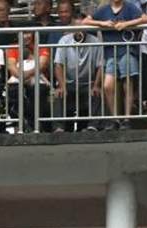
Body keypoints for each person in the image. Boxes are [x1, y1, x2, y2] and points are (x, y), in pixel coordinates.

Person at [84, 0, 143, 124]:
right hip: (110, 53)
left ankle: (127, 118)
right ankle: (115, 118)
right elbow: (86, 21)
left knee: (128, 85)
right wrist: (103, 23)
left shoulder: (129, 7)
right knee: (107, 86)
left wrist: (127, 24)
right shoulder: (104, 9)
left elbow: (145, 18)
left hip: (127, 50)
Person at [52, 0, 103, 133]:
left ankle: (93, 126)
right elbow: (58, 64)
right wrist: (61, 85)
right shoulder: (64, 40)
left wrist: (96, 84)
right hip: (68, 82)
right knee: (59, 93)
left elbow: (100, 67)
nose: (79, 30)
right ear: (73, 25)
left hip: (88, 82)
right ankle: (58, 127)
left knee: (97, 92)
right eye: (77, 26)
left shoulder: (95, 42)